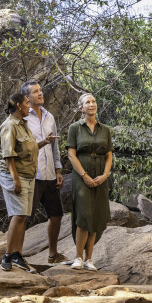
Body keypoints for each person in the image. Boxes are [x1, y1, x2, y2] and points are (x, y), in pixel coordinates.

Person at [0, 80, 68, 264]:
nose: (40, 93)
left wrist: (58, 169)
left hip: (47, 173)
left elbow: (53, 146)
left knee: (55, 214)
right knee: (23, 216)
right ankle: (16, 255)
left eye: (40, 90)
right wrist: (15, 158)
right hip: (30, 176)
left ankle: (52, 254)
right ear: (26, 98)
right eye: (35, 91)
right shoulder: (19, 119)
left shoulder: (49, 116)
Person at [65, 93, 113, 271]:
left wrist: (105, 174)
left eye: (93, 101)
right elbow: (71, 154)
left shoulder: (105, 129)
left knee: (96, 216)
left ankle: (89, 259)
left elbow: (109, 155)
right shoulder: (75, 128)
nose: (91, 104)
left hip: (101, 176)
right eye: (87, 102)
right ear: (81, 108)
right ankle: (78, 257)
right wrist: (84, 175)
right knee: (84, 215)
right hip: (81, 175)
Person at [0, 92, 39, 273]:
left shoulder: (24, 125)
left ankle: (17, 255)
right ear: (19, 105)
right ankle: (7, 255)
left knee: (22, 216)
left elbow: (27, 149)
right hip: (14, 176)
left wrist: (44, 142)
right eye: (27, 103)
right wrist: (15, 179)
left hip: (28, 175)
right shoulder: (9, 126)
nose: (30, 106)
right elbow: (8, 155)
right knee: (18, 214)